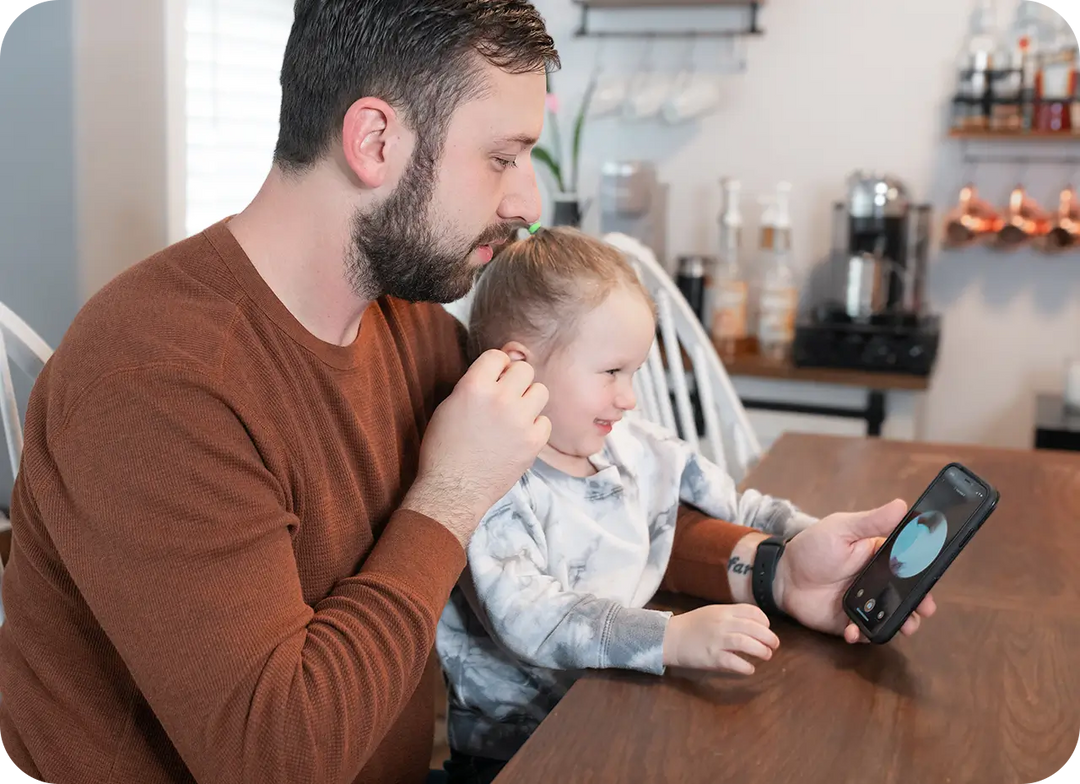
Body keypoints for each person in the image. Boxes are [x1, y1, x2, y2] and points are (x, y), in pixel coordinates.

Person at [0, 2, 934, 783]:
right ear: (374, 138)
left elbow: (580, 506)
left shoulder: (412, 326)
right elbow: (274, 755)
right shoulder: (157, 377)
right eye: (502, 155)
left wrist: (771, 566)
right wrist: (449, 495)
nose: (529, 198)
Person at [435, 227, 936, 783]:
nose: (628, 397)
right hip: (518, 752)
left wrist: (821, 538)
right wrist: (669, 638)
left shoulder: (634, 444)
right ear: (519, 366)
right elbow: (529, 617)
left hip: (623, 710)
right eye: (610, 373)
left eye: (635, 373)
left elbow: (739, 504)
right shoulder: (491, 478)